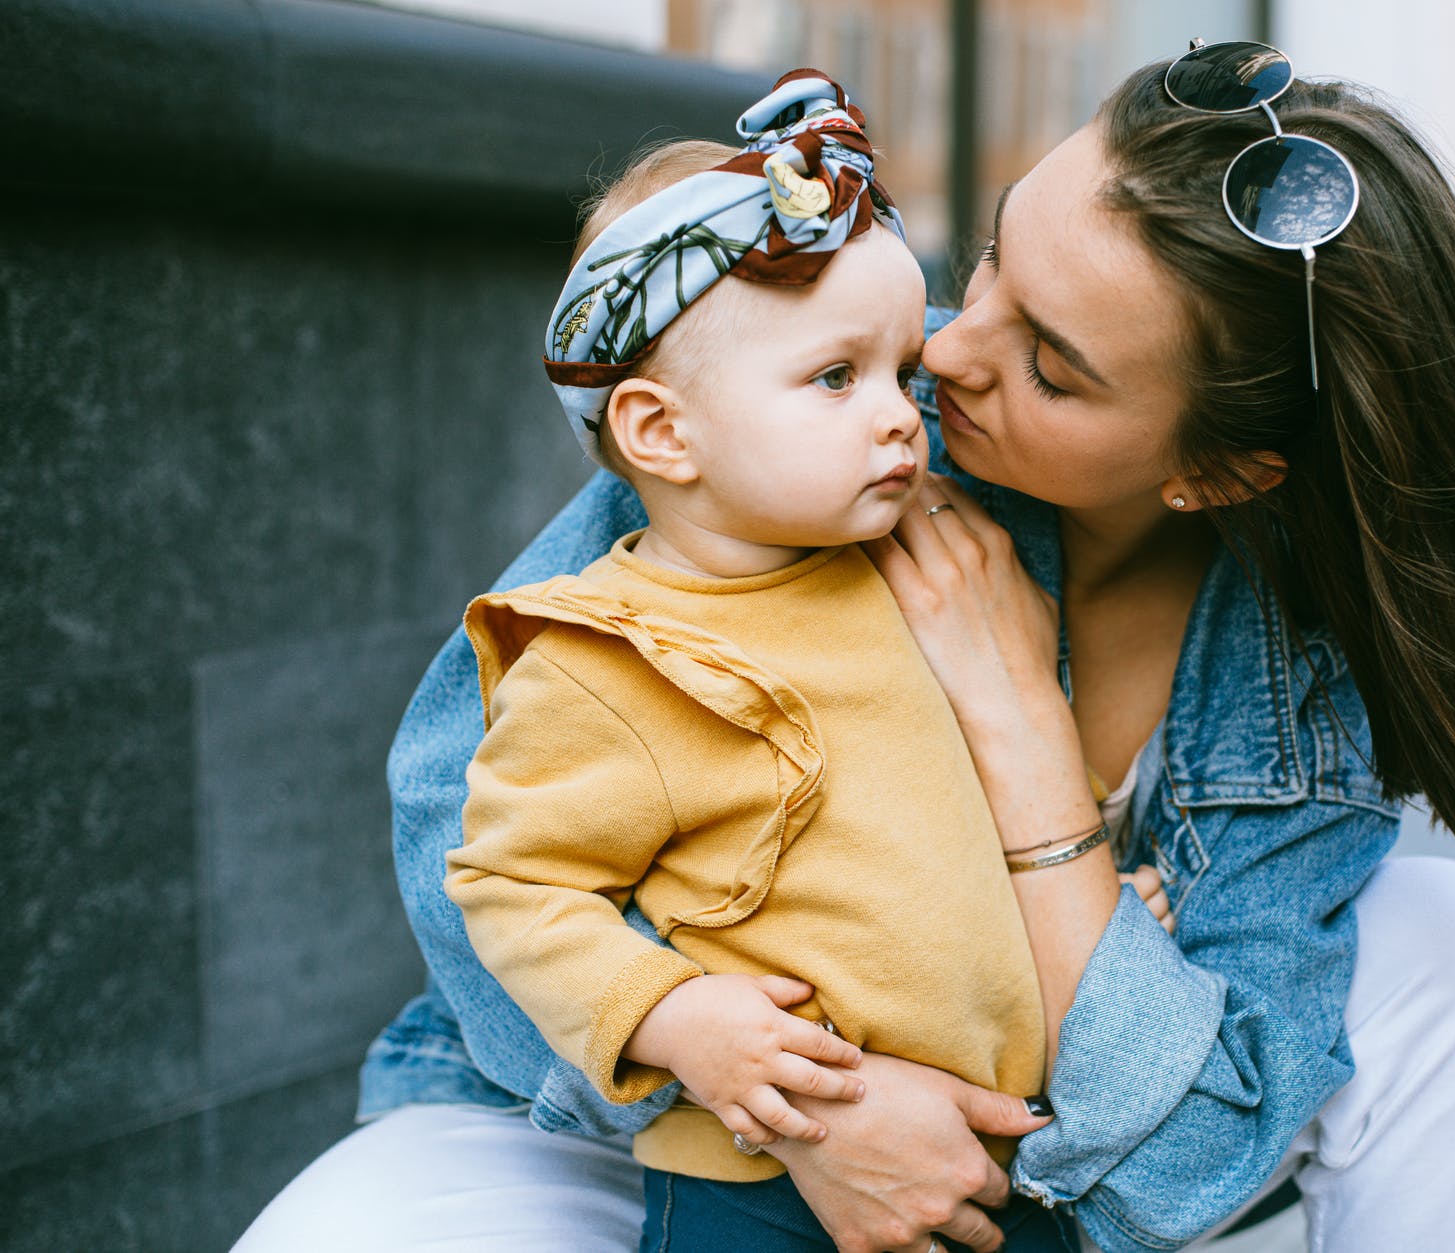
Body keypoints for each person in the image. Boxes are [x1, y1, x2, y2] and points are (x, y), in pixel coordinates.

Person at [238, 40, 1455, 1253]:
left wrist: (1021, 727)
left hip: (1036, 1164)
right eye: (997, 252)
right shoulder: (828, 447)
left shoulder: (1283, 677)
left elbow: (1185, 1166)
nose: (945, 353)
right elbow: (468, 815)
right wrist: (801, 1111)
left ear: (1218, 469)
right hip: (643, 1108)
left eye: (1056, 366)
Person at [437, 68, 1085, 1253]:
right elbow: (511, 884)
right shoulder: (613, 656)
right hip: (762, 1187)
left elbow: (931, 819)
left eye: (899, 368)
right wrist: (673, 1014)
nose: (900, 413)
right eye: (836, 377)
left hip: (996, 1158)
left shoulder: (906, 569)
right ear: (660, 433)